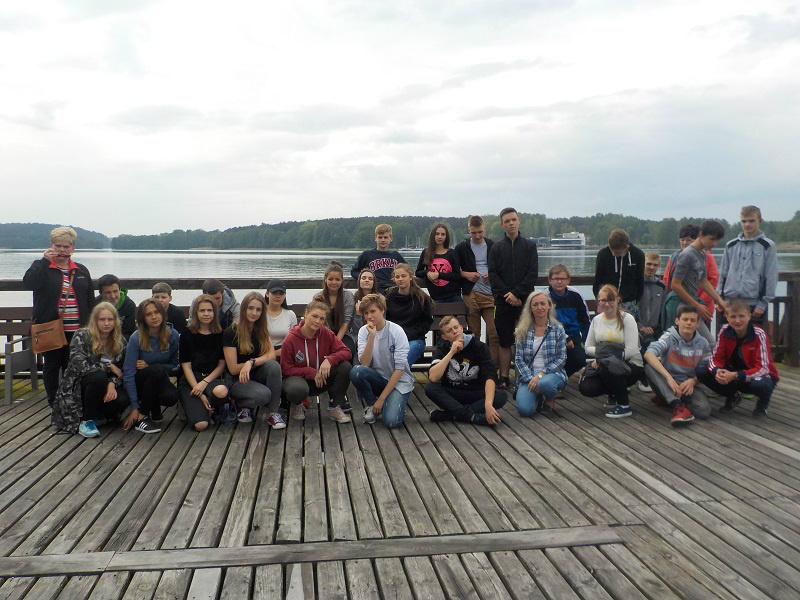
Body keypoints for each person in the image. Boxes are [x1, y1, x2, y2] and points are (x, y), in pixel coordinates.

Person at [23, 226, 94, 406]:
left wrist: (92, 326)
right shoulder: (41, 266)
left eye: (66, 246)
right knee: (52, 366)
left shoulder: (81, 270)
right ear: (51, 245)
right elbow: (29, 283)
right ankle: (54, 403)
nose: (62, 250)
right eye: (58, 246)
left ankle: (73, 400)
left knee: (75, 366)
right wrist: (44, 262)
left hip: (78, 330)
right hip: (51, 328)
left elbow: (90, 300)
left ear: (73, 248)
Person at [52, 302, 130, 437]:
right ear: (95, 320)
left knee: (122, 398)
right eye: (102, 319)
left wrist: (112, 384)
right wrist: (108, 366)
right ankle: (86, 421)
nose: (106, 323)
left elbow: (121, 369)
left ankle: (100, 415)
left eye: (110, 319)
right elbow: (80, 366)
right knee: (98, 376)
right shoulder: (81, 335)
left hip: (105, 384)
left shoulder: (121, 341)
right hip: (79, 386)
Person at [696, 299, 779, 417]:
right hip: (735, 373)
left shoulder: (759, 334)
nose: (737, 320)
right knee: (702, 370)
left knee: (760, 384)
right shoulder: (724, 330)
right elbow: (716, 359)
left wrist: (735, 375)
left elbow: (763, 369)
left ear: (749, 316)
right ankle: (732, 396)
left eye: (741, 316)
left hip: (759, 375)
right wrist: (717, 371)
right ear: (727, 317)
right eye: (733, 316)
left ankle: (763, 403)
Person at [488, 207, 538, 390]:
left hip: (525, 300)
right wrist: (508, 295)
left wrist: (517, 293)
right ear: (502, 225)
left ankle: (525, 375)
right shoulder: (496, 248)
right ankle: (503, 377)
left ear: (519, 221)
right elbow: (493, 275)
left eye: (513, 220)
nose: (511, 223)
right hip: (503, 301)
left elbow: (532, 273)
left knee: (527, 339)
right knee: (504, 340)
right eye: (507, 221)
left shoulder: (529, 246)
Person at [281, 300, 353, 423]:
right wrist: (310, 372)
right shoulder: (291, 339)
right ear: (306, 313)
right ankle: (298, 404)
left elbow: (346, 352)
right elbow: (286, 369)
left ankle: (335, 407)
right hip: (300, 380)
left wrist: (330, 360)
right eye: (314, 316)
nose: (317, 321)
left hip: (322, 379)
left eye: (322, 319)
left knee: (345, 367)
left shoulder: (326, 333)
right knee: (296, 389)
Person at [349, 294, 415, 428]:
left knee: (391, 422)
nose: (369, 316)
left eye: (373, 311)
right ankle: (371, 405)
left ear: (382, 310)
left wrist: (382, 399)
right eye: (366, 313)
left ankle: (391, 403)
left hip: (399, 381)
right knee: (356, 371)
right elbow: (365, 363)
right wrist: (371, 336)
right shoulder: (363, 332)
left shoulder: (397, 331)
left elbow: (400, 369)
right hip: (379, 379)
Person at [425, 315, 505, 425]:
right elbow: (433, 377)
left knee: (501, 395)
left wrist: (488, 404)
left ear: (462, 328)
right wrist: (451, 352)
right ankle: (473, 417)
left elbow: (490, 376)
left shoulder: (479, 347)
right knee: (430, 388)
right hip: (454, 393)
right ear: (444, 337)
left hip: (476, 392)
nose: (454, 332)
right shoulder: (442, 348)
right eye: (449, 331)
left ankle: (452, 415)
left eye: (456, 327)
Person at [579, 284, 644, 418]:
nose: (607, 304)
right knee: (587, 387)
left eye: (611, 300)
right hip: (604, 362)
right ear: (598, 301)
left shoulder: (627, 319)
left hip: (630, 364)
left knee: (608, 366)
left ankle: (624, 405)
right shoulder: (597, 320)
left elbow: (632, 350)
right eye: (603, 300)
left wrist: (606, 359)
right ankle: (614, 392)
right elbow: (588, 347)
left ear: (617, 300)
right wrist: (602, 357)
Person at [223, 292, 284, 429]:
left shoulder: (261, 330)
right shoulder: (231, 332)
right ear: (243, 309)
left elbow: (271, 355)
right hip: (236, 380)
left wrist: (250, 363)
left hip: (255, 374)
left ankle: (273, 413)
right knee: (264, 395)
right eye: (250, 308)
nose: (254, 313)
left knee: (274, 366)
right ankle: (240, 404)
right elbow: (233, 369)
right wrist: (247, 366)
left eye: (258, 309)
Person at [643, 305, 712, 426]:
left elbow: (707, 368)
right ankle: (678, 406)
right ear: (677, 321)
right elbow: (648, 354)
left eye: (692, 320)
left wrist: (694, 381)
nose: (688, 323)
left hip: (687, 383)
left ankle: (667, 398)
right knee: (649, 367)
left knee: (704, 411)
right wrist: (669, 378)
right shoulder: (668, 337)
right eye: (685, 319)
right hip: (667, 381)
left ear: (698, 324)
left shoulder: (703, 343)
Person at [122, 298, 180, 434]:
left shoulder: (173, 335)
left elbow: (175, 366)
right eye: (148, 314)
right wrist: (134, 407)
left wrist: (150, 365)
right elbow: (128, 373)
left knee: (171, 396)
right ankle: (142, 415)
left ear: (162, 314)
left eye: (157, 312)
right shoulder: (136, 338)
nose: (154, 317)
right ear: (143, 318)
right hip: (139, 381)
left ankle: (154, 408)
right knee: (156, 370)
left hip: (159, 377)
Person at [666, 220, 727, 346]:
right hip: (681, 304)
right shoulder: (687, 255)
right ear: (701, 234)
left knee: (695, 344)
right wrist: (697, 306)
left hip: (691, 303)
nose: (714, 243)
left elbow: (703, 280)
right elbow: (675, 285)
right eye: (712, 239)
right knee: (710, 343)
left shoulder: (702, 253)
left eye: (717, 240)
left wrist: (719, 301)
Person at [717, 205, 778, 328]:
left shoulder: (767, 246)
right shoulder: (731, 245)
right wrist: (720, 299)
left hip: (755, 305)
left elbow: (771, 276)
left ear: (759, 221)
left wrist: (763, 304)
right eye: (744, 221)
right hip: (730, 303)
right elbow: (723, 273)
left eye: (751, 221)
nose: (747, 224)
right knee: (727, 338)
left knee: (755, 338)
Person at [178, 294, 229, 432]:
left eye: (209, 310)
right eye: (202, 310)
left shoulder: (220, 334)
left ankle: (213, 407)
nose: (206, 314)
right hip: (190, 381)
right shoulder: (186, 334)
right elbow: (186, 367)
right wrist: (199, 392)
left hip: (211, 379)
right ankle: (194, 406)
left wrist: (205, 382)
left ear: (215, 312)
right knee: (201, 425)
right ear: (196, 312)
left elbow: (221, 365)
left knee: (221, 391)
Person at [514, 290, 568, 416]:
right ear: (530, 308)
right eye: (535, 305)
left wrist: (541, 375)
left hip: (552, 373)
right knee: (525, 410)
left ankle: (550, 399)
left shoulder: (558, 329)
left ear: (549, 306)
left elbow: (561, 358)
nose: (539, 307)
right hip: (529, 375)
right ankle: (537, 397)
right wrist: (530, 378)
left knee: (545, 383)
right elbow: (518, 359)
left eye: (543, 304)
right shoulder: (522, 330)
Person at [455, 215, 499, 368]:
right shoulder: (462, 248)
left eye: (480, 232)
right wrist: (466, 274)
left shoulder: (493, 246)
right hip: (471, 294)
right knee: (474, 333)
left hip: (490, 294)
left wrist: (492, 275)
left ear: (485, 229)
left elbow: (502, 268)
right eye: (474, 233)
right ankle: (475, 367)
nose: (478, 236)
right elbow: (453, 270)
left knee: (494, 333)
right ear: (469, 231)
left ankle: (492, 367)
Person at [663, 224, 719, 324]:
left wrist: (698, 302)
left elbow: (712, 280)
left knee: (701, 332)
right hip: (679, 303)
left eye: (688, 240)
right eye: (682, 240)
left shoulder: (706, 256)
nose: (685, 243)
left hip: (702, 306)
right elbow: (668, 279)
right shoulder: (674, 257)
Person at [384, 263, 434, 367]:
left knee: (403, 360)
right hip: (394, 340)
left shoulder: (421, 297)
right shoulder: (389, 297)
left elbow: (426, 322)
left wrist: (409, 334)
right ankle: (397, 376)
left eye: (403, 276)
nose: (400, 279)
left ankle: (397, 375)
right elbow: (385, 321)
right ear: (394, 279)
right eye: (397, 277)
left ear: (410, 277)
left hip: (415, 339)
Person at [547, 264, 590, 378]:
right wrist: (564, 338)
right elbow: (544, 322)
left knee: (580, 359)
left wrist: (586, 341)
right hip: (553, 337)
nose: (559, 282)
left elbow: (584, 320)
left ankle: (560, 378)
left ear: (568, 280)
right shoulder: (545, 297)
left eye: (562, 279)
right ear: (550, 280)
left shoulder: (575, 295)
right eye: (556, 279)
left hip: (574, 335)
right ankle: (555, 379)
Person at [593, 229, 645, 317]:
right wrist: (600, 299)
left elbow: (640, 281)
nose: (613, 254)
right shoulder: (603, 254)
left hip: (629, 303)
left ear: (625, 247)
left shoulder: (638, 255)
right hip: (607, 302)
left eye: (617, 252)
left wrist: (635, 299)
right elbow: (597, 280)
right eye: (611, 250)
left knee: (627, 324)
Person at [313, 261, 357, 360]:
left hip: (343, 334)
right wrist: (329, 341)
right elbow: (318, 322)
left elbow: (346, 322)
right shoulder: (318, 297)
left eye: (337, 279)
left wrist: (336, 342)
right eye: (330, 279)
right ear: (325, 279)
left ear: (342, 281)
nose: (334, 282)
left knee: (347, 352)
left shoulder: (348, 296)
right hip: (323, 334)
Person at [350, 224, 407, 293]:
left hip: (393, 290)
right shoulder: (367, 255)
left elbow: (408, 271)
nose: (383, 240)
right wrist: (365, 277)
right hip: (375, 291)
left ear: (390, 238)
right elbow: (354, 271)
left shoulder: (396, 255)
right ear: (375, 238)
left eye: (385, 237)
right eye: (380, 237)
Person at [415, 223, 462, 303]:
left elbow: (457, 276)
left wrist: (438, 275)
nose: (440, 237)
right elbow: (418, 272)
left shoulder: (452, 253)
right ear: (433, 235)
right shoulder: (426, 253)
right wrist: (427, 272)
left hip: (453, 296)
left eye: (443, 234)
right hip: (436, 297)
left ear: (446, 237)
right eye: (437, 234)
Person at [347, 268, 379, 362]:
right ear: (359, 281)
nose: (367, 280)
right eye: (364, 278)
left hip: (375, 334)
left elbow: (380, 323)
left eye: (370, 279)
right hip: (357, 336)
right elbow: (354, 329)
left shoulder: (378, 300)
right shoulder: (354, 299)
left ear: (374, 282)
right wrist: (358, 315)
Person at [638, 252, 667, 349]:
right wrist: (640, 327)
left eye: (655, 265)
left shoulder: (661, 286)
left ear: (659, 266)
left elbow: (663, 311)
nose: (651, 267)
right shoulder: (635, 284)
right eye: (649, 264)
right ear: (643, 264)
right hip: (637, 329)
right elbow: (628, 309)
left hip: (655, 330)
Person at [264, 279, 297, 359]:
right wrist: (274, 353)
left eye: (281, 293)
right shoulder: (260, 313)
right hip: (264, 352)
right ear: (267, 293)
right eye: (274, 293)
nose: (278, 296)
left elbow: (294, 339)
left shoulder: (290, 315)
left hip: (284, 352)